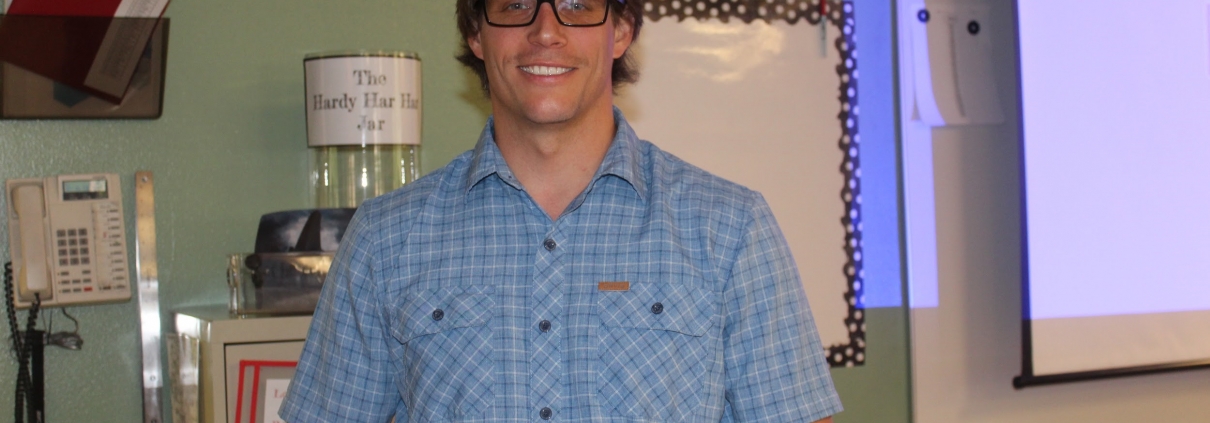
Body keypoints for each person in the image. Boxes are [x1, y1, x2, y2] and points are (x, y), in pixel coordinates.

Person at [280, 0, 842, 421]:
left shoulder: (731, 228)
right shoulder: (385, 239)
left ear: (620, 30)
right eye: (515, 5)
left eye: (576, 3)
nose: (545, 31)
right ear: (477, 33)